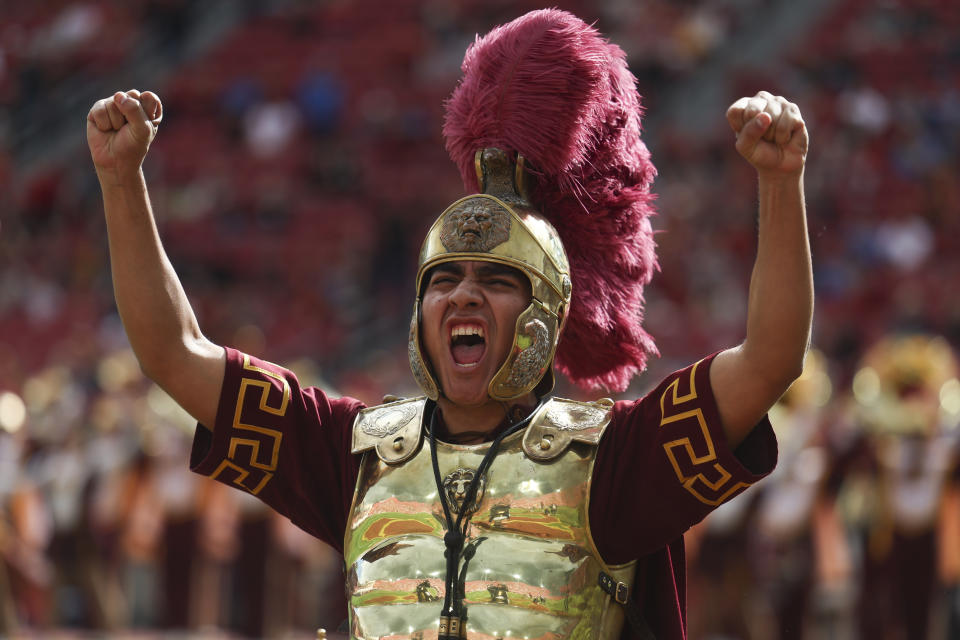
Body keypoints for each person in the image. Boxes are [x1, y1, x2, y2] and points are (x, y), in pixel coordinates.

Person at [86, 9, 811, 639]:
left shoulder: (613, 462)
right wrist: (122, 183)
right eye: (444, 280)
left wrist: (780, 186)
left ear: (546, 318)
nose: (463, 296)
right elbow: (175, 354)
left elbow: (770, 359)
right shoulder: (354, 454)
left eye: (498, 280)